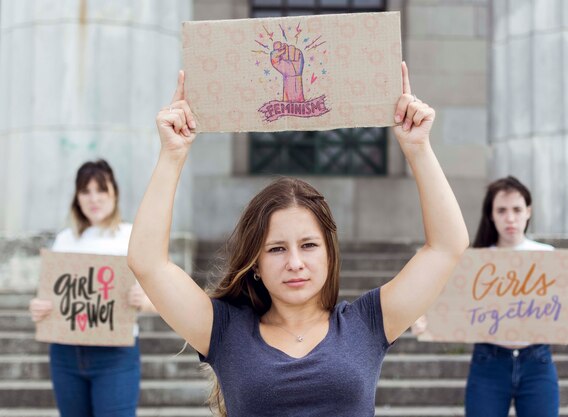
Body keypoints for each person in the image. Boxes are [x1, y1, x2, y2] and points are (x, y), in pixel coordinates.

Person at [127, 63, 469, 417]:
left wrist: (418, 149)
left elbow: (448, 247)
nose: (295, 262)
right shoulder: (224, 331)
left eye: (308, 245)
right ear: (255, 263)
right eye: (276, 248)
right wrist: (172, 154)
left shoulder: (366, 323)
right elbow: (147, 263)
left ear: (329, 254)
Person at [462, 176, 568, 417]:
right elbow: (456, 305)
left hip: (536, 362)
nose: (510, 218)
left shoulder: (549, 256)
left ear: (528, 211)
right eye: (502, 210)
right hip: (488, 362)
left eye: (517, 209)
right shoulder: (473, 262)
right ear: (491, 214)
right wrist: (427, 318)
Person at [29, 159, 156, 417]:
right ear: (77, 197)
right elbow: (56, 297)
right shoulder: (65, 239)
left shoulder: (131, 236)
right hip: (65, 353)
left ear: (114, 193)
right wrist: (40, 308)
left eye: (101, 190)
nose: (93, 198)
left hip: (116, 353)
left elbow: (161, 298)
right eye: (85, 191)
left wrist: (144, 301)